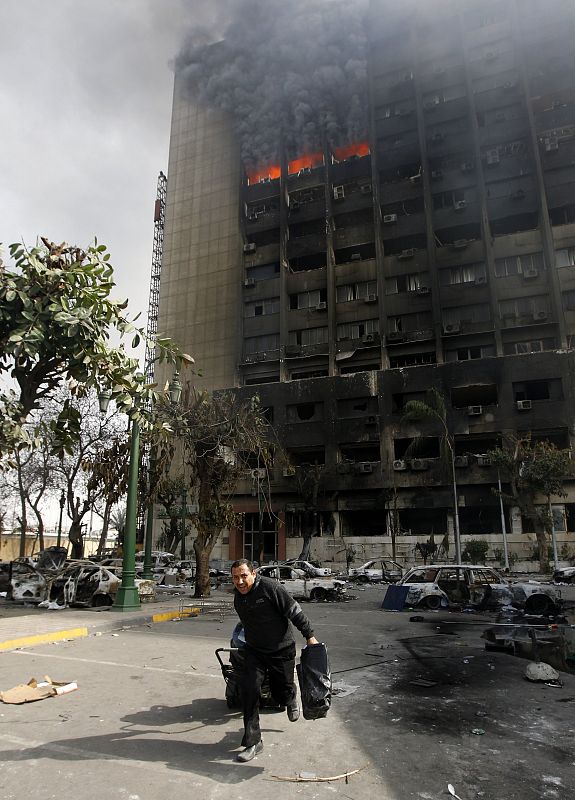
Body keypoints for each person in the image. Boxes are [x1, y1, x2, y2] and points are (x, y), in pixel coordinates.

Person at [230, 558, 319, 763]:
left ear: (254, 573)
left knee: (280, 693)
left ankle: (290, 697)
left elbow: (294, 611)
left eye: (244, 576)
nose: (240, 581)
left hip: (281, 650)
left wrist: (310, 636)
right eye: (236, 577)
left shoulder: (271, 588)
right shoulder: (238, 597)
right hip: (255, 652)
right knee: (249, 690)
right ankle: (253, 742)